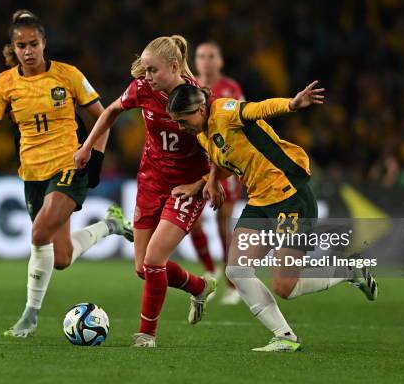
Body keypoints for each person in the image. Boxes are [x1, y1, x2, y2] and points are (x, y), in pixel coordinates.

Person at [167, 81, 378, 352]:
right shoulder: (201, 133)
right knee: (237, 270)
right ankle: (285, 337)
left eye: (183, 121)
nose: (182, 128)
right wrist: (206, 182)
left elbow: (258, 109)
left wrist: (292, 104)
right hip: (260, 202)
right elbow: (228, 160)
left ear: (199, 108)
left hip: (290, 197)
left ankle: (350, 271)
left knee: (285, 285)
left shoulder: (224, 111)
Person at [0, 10, 133, 338]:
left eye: (33, 44)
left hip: (70, 165)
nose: (28, 51)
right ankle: (110, 225)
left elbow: (102, 117)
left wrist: (96, 157)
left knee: (38, 232)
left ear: (44, 43)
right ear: (13, 48)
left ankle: (30, 315)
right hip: (32, 174)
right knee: (61, 258)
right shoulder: (4, 84)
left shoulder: (67, 75)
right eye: (21, 45)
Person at [74, 35, 220, 348]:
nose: (147, 76)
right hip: (150, 182)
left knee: (155, 260)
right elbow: (111, 110)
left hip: (187, 187)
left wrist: (201, 184)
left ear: (174, 66)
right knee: (143, 268)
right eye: (144, 69)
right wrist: (88, 147)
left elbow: (224, 150)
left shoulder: (198, 98)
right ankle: (199, 287)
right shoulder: (142, 89)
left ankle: (146, 335)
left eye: (152, 70)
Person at [192, 41, 246, 304]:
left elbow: (243, 122)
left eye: (211, 56)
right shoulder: (189, 86)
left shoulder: (231, 89)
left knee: (223, 223)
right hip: (196, 161)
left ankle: (233, 283)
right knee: (192, 221)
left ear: (220, 61)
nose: (205, 61)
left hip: (223, 160)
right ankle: (209, 271)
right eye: (201, 56)